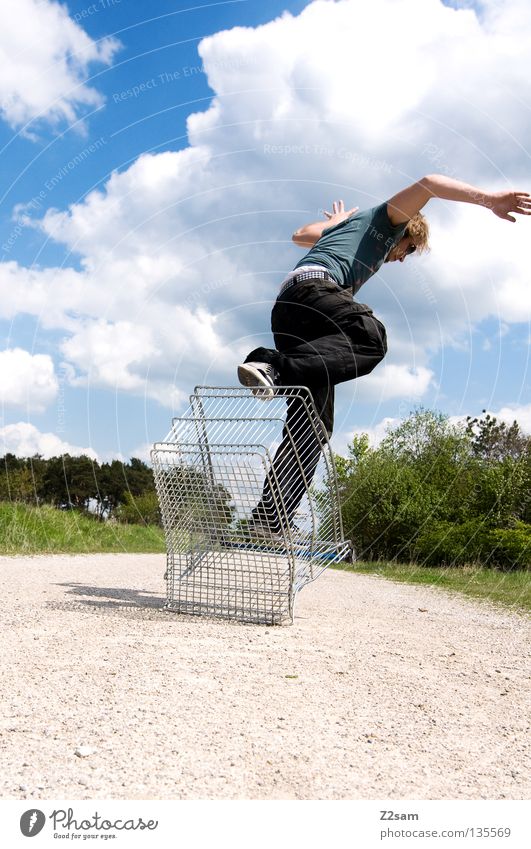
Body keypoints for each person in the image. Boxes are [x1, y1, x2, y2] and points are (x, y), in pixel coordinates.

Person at [237, 174, 530, 539]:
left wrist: (333, 224)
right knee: (371, 339)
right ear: (406, 232)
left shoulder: (345, 234)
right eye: (407, 250)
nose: (402, 259)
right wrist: (490, 199)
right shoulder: (386, 221)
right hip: (315, 292)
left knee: (312, 426)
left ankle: (269, 521)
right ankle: (273, 365)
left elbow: (300, 235)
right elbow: (428, 184)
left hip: (294, 314)